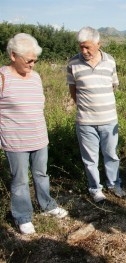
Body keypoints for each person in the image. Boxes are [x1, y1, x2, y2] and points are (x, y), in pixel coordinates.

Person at [0, 33, 68, 235]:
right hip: (15, 140)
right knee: (20, 180)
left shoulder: (36, 77)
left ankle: (47, 205)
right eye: (29, 60)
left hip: (39, 137)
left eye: (35, 61)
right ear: (13, 56)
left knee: (41, 174)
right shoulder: (2, 77)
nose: (32, 64)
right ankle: (22, 216)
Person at [67, 27, 125, 203]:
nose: (84, 51)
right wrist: (87, 109)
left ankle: (114, 184)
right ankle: (95, 189)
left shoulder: (110, 61)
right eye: (81, 47)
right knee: (90, 159)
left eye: (88, 47)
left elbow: (113, 85)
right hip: (85, 122)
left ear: (98, 44)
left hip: (109, 120)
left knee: (111, 155)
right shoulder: (72, 64)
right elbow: (73, 91)